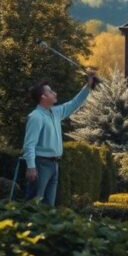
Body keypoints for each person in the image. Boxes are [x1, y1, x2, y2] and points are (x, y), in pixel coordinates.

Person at [22, 72, 96, 206]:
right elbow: (29, 145)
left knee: (48, 205)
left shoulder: (55, 112)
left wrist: (88, 85)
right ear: (43, 96)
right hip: (41, 164)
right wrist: (31, 167)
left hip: (54, 164)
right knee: (33, 204)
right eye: (50, 92)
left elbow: (75, 103)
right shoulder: (36, 117)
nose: (54, 93)